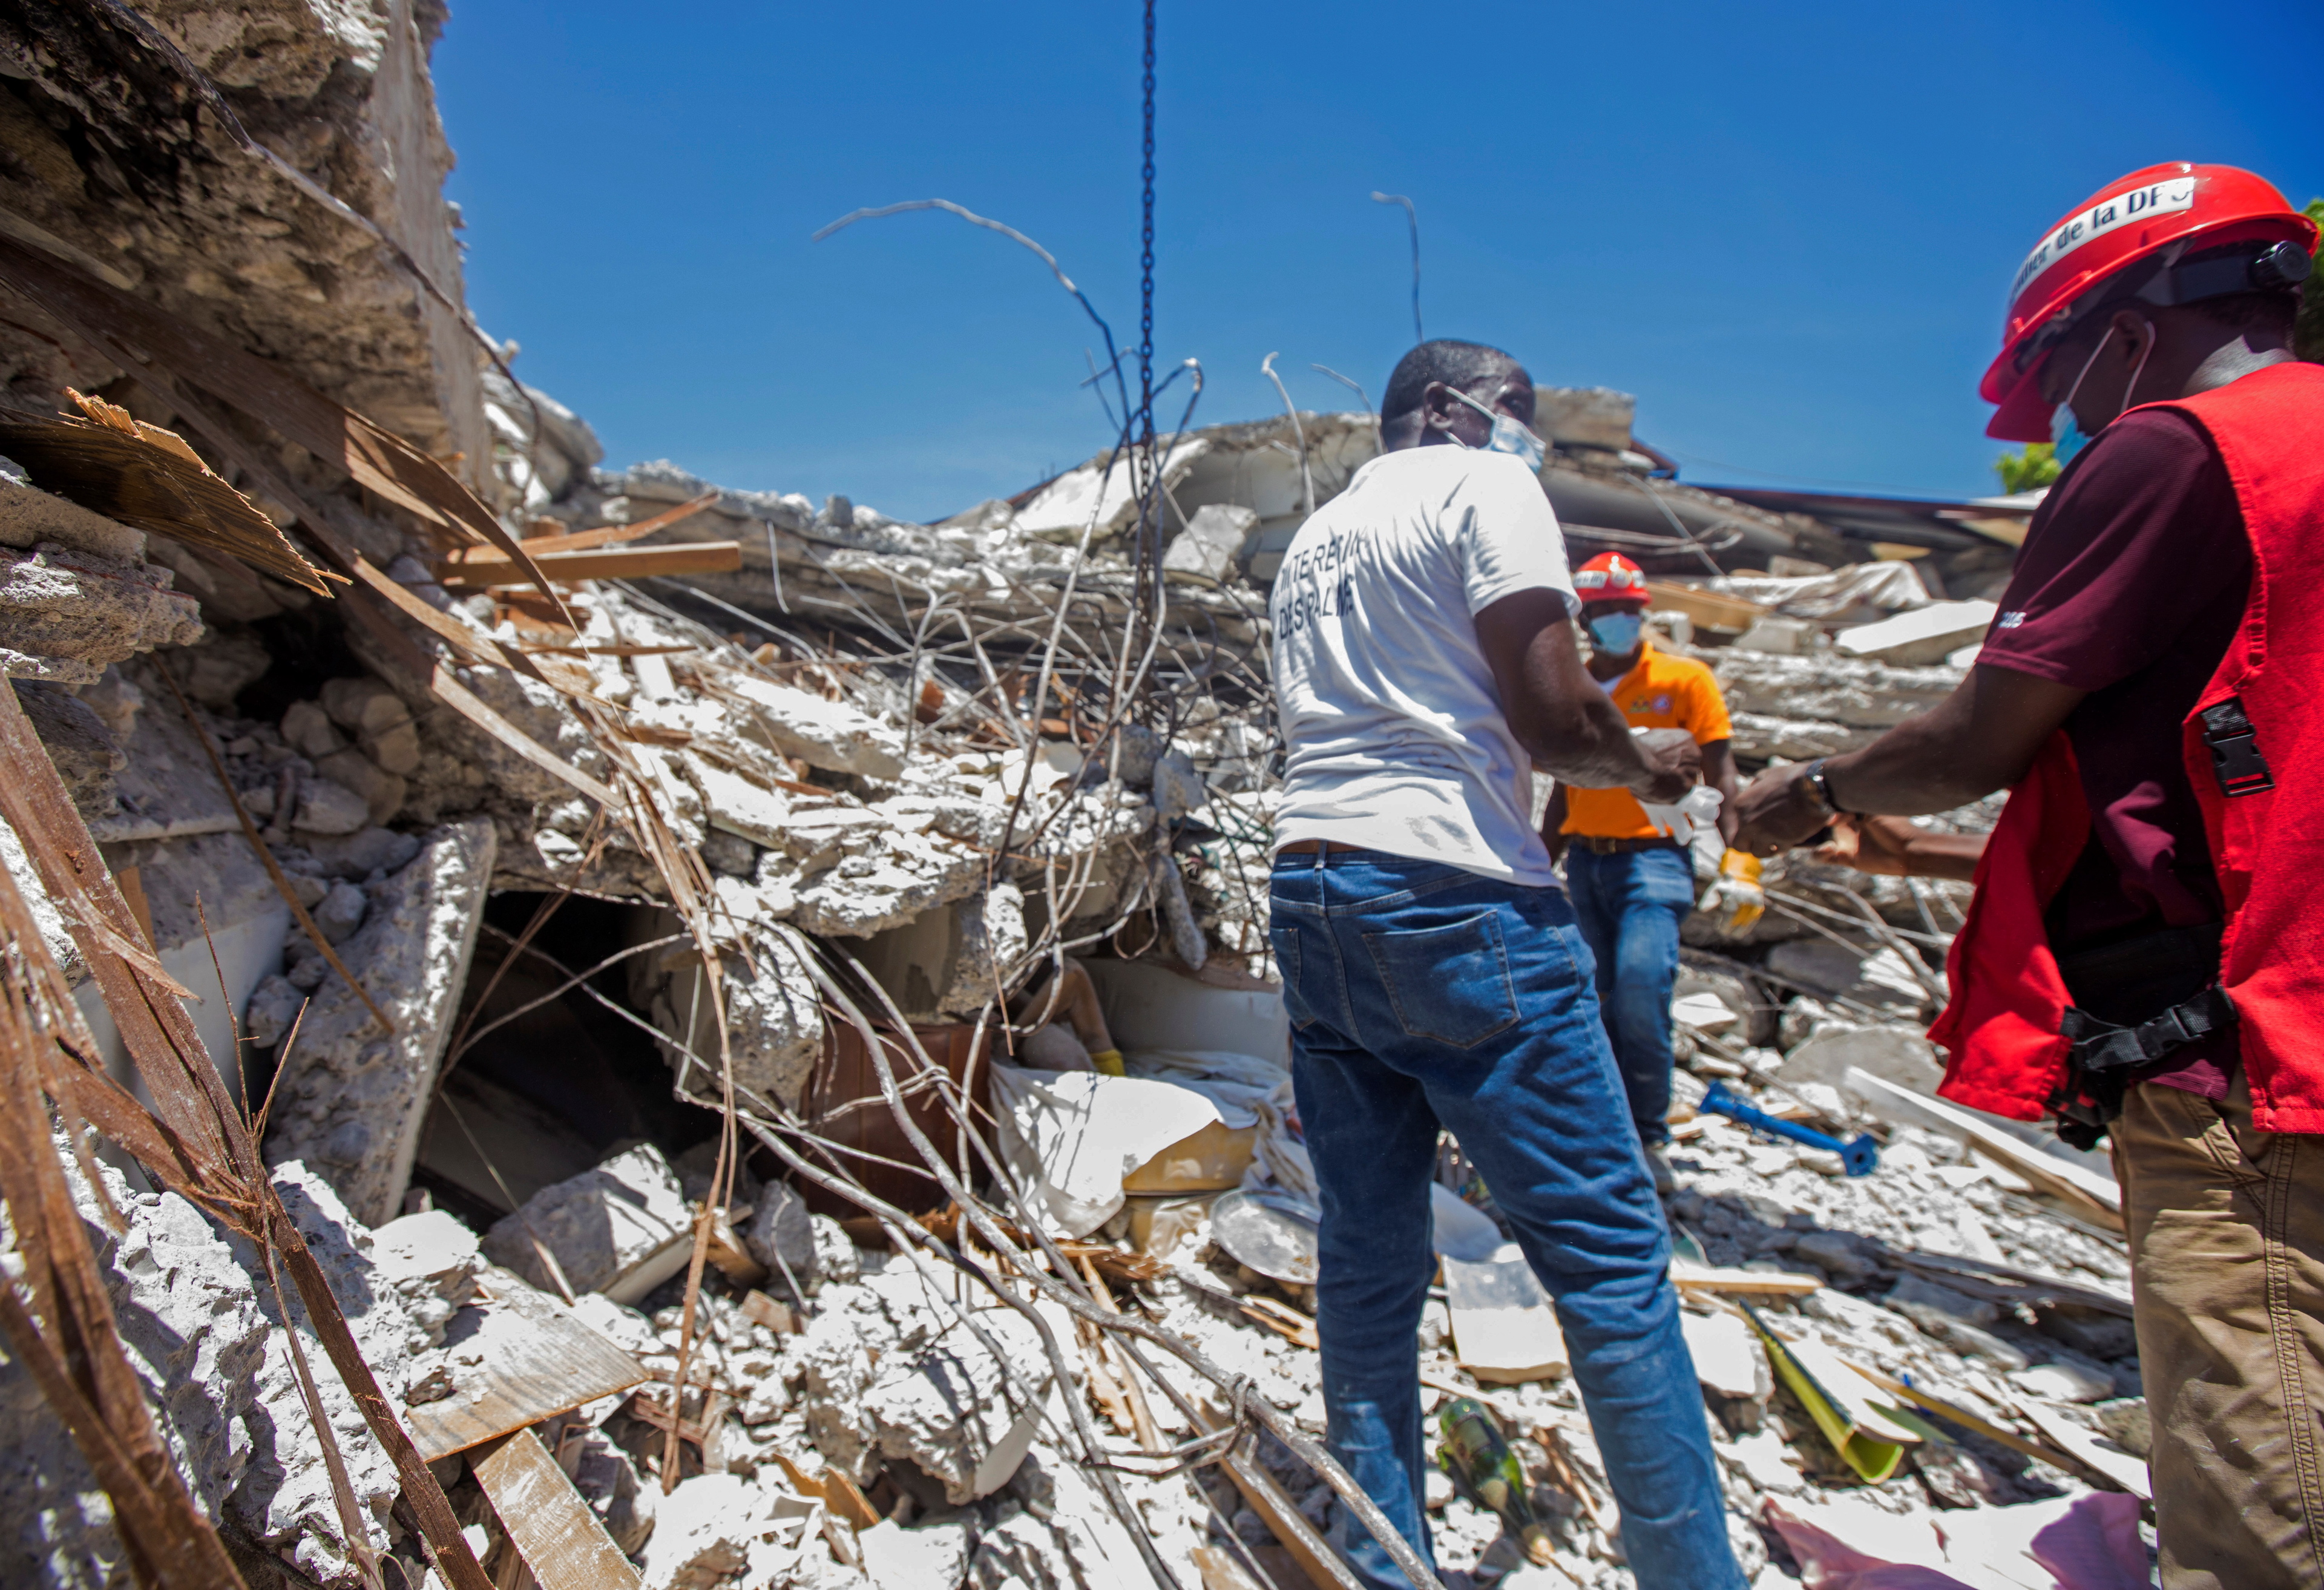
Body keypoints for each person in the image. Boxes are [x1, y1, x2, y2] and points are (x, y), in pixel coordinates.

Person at [1732, 163, 2323, 1588]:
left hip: (2240, 1069)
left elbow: (1974, 737)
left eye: (2060, 379)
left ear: (2120, 329)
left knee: (2262, 1491)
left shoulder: (2175, 451)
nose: (2064, 422)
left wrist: (1806, 794)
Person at [1268, 338, 1742, 1590]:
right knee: (1608, 1260)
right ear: (1445, 408)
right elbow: (1554, 713)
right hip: (1453, 895)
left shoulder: (1315, 540)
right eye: (1516, 412)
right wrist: (1649, 769)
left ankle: (1381, 1558)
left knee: (1366, 1258)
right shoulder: (1486, 487)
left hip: (1311, 889)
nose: (1527, 436)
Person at [1545, 551, 1740, 1192]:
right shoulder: (1572, 688)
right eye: (1603, 612)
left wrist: (1741, 863)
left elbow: (1724, 773)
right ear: (1586, 618)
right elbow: (1562, 786)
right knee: (1591, 996)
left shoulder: (1685, 680)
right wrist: (1538, 861)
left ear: (1641, 612)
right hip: (1586, 862)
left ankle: (1649, 1132)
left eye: (1625, 611)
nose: (1615, 622)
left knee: (1641, 987)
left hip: (1655, 858)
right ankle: (1605, 1127)